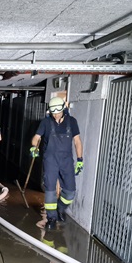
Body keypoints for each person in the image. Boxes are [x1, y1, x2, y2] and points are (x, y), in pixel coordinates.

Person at [30, 97, 83, 231]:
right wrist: (33, 146)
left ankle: (60, 208)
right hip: (50, 160)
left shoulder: (72, 122)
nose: (55, 115)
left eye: (57, 113)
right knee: (50, 191)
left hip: (66, 161)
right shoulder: (46, 122)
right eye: (53, 113)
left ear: (63, 109)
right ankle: (51, 218)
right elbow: (37, 137)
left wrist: (80, 159)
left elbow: (77, 141)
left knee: (70, 192)